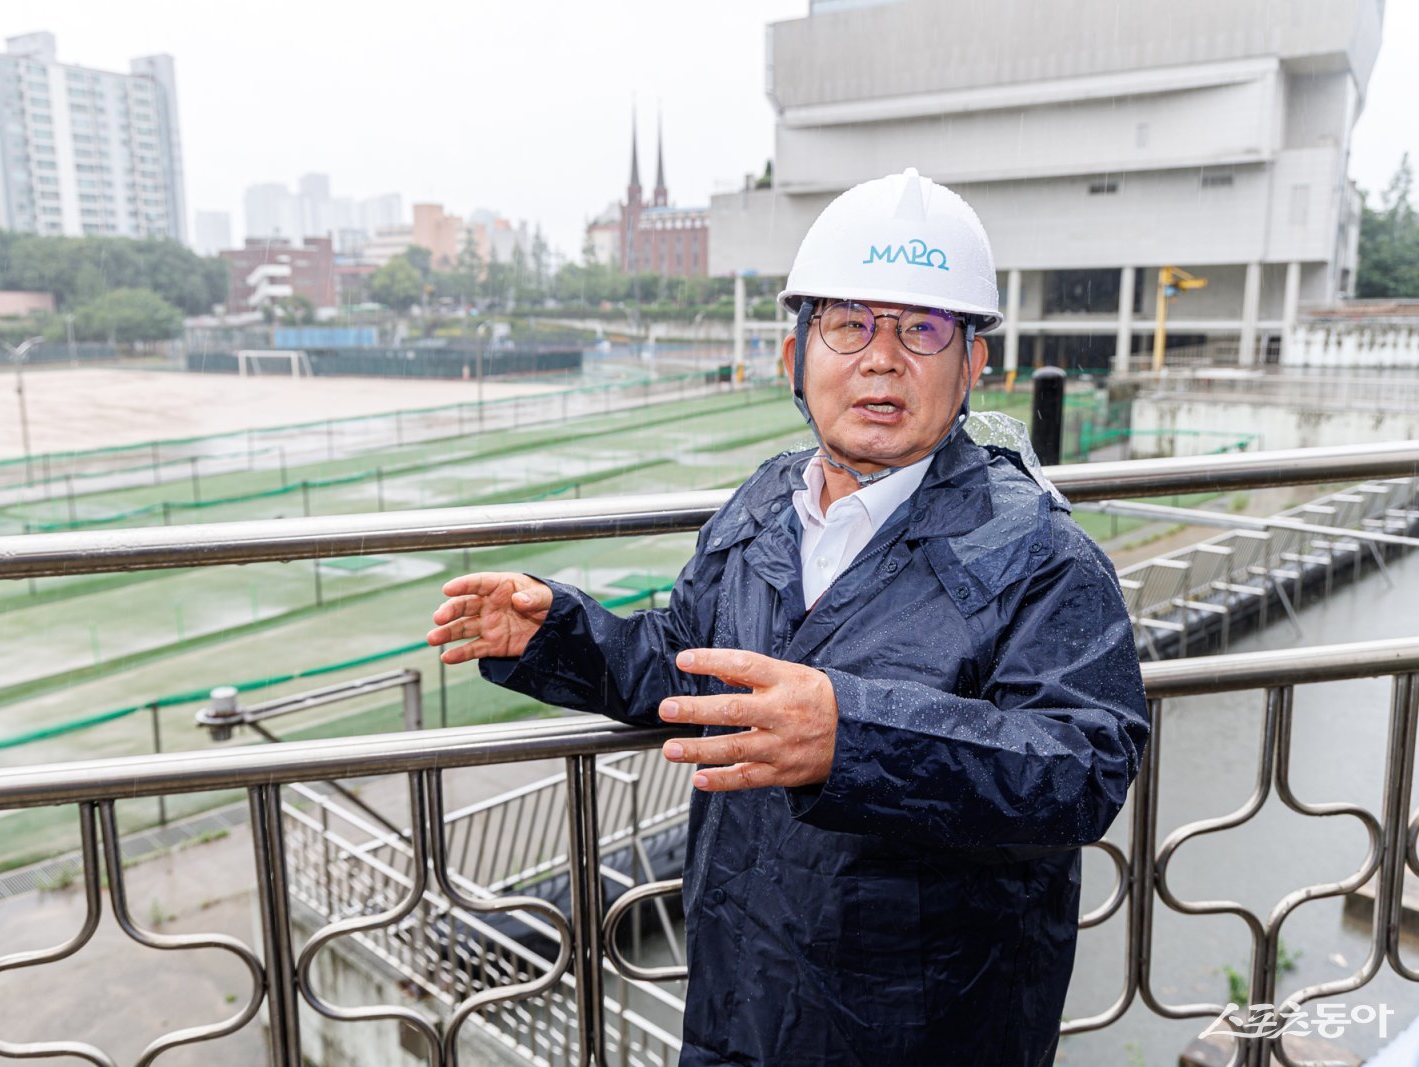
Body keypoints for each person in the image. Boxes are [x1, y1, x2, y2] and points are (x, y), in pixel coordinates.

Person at [426, 168, 1148, 1066]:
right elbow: (689, 666)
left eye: (922, 329)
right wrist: (559, 635)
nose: (882, 358)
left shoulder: (1038, 551)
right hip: (741, 996)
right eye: (849, 324)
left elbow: (1084, 765)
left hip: (925, 1027)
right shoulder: (768, 501)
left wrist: (852, 736)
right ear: (795, 354)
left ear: (971, 366)